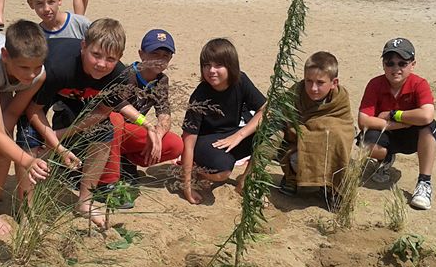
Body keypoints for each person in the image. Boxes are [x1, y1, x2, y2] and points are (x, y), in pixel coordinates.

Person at [24, 19, 161, 229]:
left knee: (105, 132)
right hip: (47, 85)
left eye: (110, 58)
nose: (102, 64)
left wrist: (58, 136)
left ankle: (85, 201)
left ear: (119, 57)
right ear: (83, 46)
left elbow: (102, 112)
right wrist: (56, 145)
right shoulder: (59, 66)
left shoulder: (119, 76)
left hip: (78, 95)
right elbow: (33, 110)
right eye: (96, 55)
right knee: (29, 140)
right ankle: (27, 206)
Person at [0, 21, 78, 242]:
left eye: (36, 67)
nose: (30, 74)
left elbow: (11, 113)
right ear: (6, 55)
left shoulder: (38, 75)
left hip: (3, 85)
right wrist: (25, 160)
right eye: (24, 67)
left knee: (4, 145)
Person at [358, 37, 436, 210]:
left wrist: (393, 115)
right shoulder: (375, 84)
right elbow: (363, 120)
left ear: (413, 64)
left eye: (402, 63)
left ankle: (424, 183)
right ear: (383, 65)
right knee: (365, 143)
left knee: (429, 127)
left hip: (412, 137)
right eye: (390, 63)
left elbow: (426, 115)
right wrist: (401, 124)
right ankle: (385, 159)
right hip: (388, 132)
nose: (396, 69)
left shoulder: (419, 84)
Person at [98, 29, 184, 193]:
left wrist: (158, 135)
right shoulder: (126, 74)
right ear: (141, 54)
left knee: (175, 144)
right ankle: (108, 180)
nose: (160, 59)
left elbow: (164, 113)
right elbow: (118, 106)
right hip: (108, 131)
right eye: (155, 54)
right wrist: (147, 125)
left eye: (165, 56)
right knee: (116, 119)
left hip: (132, 133)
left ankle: (127, 161)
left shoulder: (161, 80)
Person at [181, 38, 266, 205]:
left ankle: (245, 182)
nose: (211, 71)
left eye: (218, 65)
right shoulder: (200, 95)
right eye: (207, 65)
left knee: (270, 133)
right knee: (223, 173)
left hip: (232, 135)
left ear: (230, 66)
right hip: (206, 141)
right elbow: (188, 143)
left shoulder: (241, 81)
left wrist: (239, 135)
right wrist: (187, 187)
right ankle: (199, 170)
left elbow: (265, 109)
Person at [278, 51, 355, 197]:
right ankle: (291, 178)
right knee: (291, 154)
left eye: (320, 83)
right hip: (297, 147)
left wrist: (315, 132)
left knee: (338, 138)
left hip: (325, 148)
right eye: (309, 81)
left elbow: (346, 129)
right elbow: (282, 120)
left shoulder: (340, 99)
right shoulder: (295, 94)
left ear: (334, 83)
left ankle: (330, 186)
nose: (313, 88)